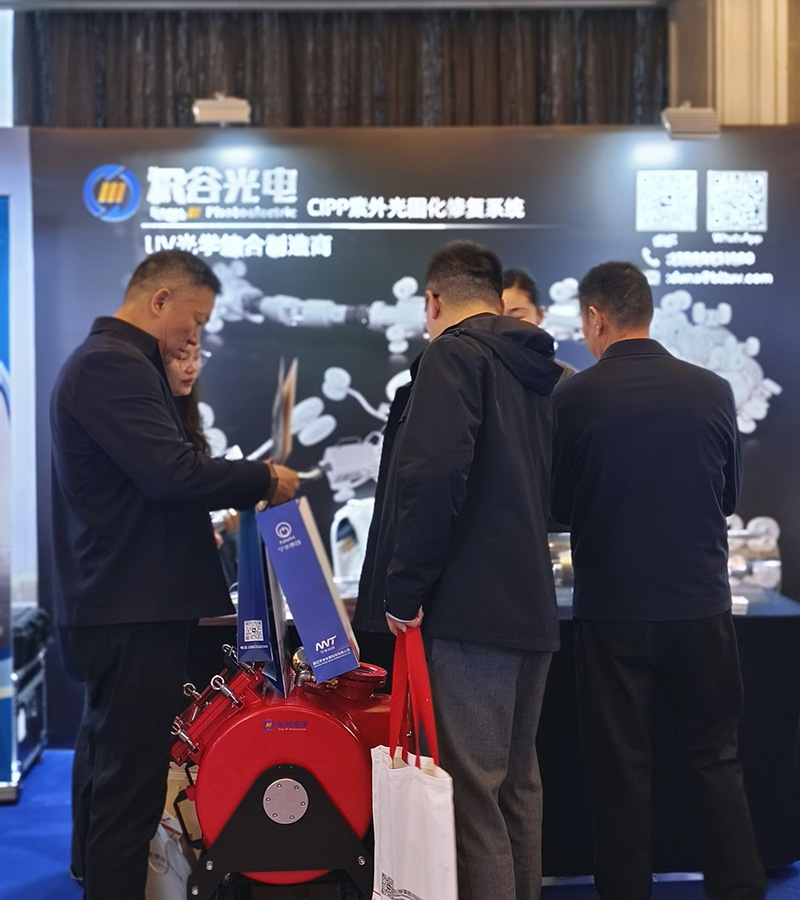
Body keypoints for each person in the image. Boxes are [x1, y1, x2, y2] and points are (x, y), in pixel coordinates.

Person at [52, 249, 299, 900]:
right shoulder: (111, 365)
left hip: (129, 604)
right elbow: (172, 475)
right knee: (129, 795)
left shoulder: (119, 363)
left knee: (125, 784)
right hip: (129, 608)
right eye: (196, 320)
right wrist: (263, 478)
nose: (196, 337)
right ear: (160, 299)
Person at [550, 261, 766, 900]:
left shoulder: (574, 397)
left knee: (619, 771)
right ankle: (740, 890)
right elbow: (728, 497)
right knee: (716, 759)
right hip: (700, 605)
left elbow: (558, 507)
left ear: (596, 318)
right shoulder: (713, 390)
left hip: (612, 611)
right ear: (647, 312)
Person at [381, 241, 562, 900]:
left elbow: (432, 475)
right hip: (530, 609)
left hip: (469, 613)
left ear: (433, 301)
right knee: (516, 791)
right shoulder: (538, 371)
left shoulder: (452, 355)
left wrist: (404, 589)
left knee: (473, 799)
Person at [502, 268, 576, 380]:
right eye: (496, 318)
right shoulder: (479, 374)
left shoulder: (567, 379)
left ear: (540, 315)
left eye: (517, 317)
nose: (506, 327)